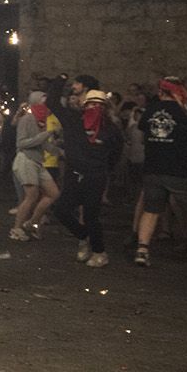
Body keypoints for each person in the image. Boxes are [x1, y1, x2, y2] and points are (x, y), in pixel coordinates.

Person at [135, 78, 187, 269]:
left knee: (151, 210)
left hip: (153, 168)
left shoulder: (150, 110)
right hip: (181, 170)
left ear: (161, 91)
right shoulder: (186, 111)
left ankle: (142, 250)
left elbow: (141, 135)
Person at [49, 90, 122, 268]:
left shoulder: (111, 129)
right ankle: (83, 236)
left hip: (95, 176)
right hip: (74, 175)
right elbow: (52, 101)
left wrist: (104, 169)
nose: (93, 108)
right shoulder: (74, 122)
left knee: (91, 215)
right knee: (60, 209)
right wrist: (62, 79)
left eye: (98, 105)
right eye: (90, 104)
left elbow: (116, 152)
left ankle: (99, 251)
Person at [9, 91, 61, 241]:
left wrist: (60, 152)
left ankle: (32, 222)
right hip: (26, 160)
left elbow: (43, 144)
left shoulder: (41, 121)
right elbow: (22, 143)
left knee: (53, 193)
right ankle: (17, 229)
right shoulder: (27, 119)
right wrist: (47, 134)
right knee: (31, 196)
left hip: (37, 161)